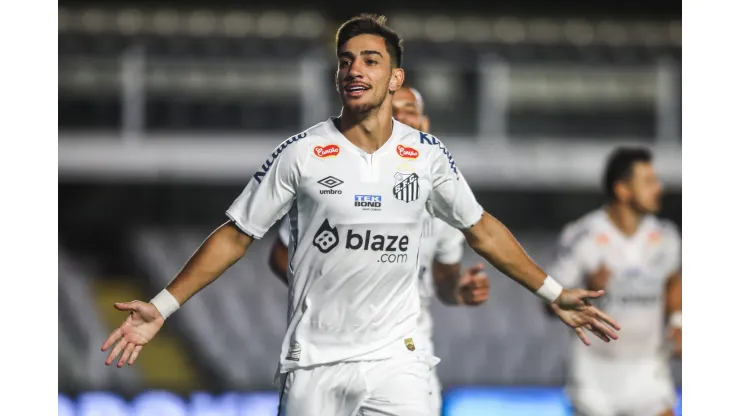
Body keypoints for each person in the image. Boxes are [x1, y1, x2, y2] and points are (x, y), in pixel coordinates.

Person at [102, 14, 620, 416]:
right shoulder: (301, 153)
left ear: (396, 78)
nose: (354, 70)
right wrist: (162, 307)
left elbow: (481, 229)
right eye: (346, 60)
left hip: (398, 358)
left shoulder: (427, 156)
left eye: (370, 60)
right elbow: (238, 236)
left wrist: (555, 293)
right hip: (313, 363)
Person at [268, 85, 490, 415]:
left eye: (409, 111)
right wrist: (328, 289)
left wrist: (459, 289)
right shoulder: (335, 179)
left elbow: (443, 278)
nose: (400, 119)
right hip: (329, 349)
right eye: (390, 111)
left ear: (424, 124)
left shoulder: (443, 191)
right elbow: (281, 253)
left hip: (405, 353)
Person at [547, 147, 681, 416]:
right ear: (623, 190)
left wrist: (678, 322)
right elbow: (549, 302)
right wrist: (585, 290)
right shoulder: (583, 236)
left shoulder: (667, 237)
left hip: (649, 372)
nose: (659, 188)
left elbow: (673, 282)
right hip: (595, 376)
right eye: (648, 182)